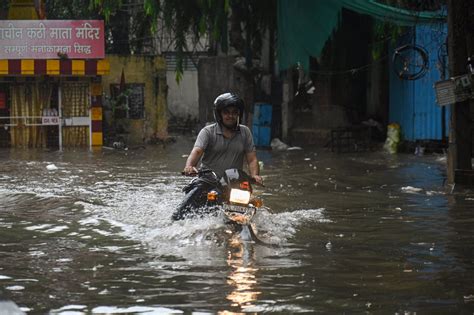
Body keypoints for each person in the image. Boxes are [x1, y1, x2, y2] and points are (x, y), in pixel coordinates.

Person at [182, 92, 263, 185]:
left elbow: (252, 159)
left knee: (252, 199)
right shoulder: (208, 132)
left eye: (234, 112)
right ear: (219, 114)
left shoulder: (245, 132)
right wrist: (189, 166)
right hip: (207, 181)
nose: (230, 116)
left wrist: (255, 175)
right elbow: (197, 151)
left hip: (234, 181)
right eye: (226, 112)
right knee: (191, 196)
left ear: (238, 115)